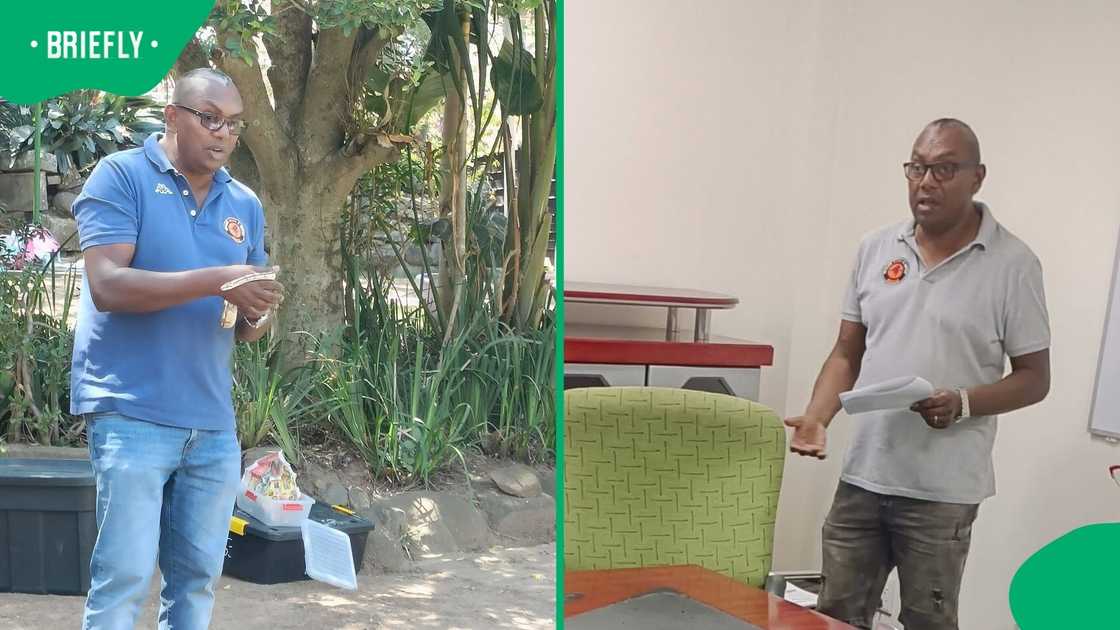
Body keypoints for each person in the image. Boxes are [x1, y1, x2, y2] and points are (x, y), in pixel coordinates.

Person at [783, 119, 1050, 630]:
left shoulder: (1014, 264)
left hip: (942, 493)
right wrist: (819, 415)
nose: (926, 181)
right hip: (864, 477)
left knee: (928, 623)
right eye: (917, 167)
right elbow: (846, 353)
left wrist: (964, 402)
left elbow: (1035, 377)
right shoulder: (875, 248)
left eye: (944, 169)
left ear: (977, 177)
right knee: (835, 616)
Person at [71, 68, 283, 629]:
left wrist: (257, 313)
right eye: (209, 118)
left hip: (211, 424)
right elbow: (108, 286)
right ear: (172, 115)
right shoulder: (121, 177)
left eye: (233, 124)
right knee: (124, 579)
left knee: (196, 583)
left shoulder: (245, 204)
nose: (222, 134)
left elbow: (242, 326)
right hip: (130, 412)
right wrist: (218, 278)